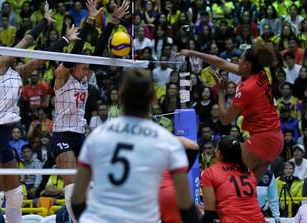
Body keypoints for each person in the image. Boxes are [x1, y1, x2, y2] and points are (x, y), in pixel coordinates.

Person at [0, 2, 79, 223]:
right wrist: (44, 22)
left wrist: (66, 40)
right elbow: (27, 41)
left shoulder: (17, 72)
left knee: (16, 195)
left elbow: (42, 57)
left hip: (3, 138)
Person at [71, 68, 199, 223]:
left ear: (120, 97)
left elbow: (77, 200)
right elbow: (186, 208)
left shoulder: (97, 136)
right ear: (153, 99)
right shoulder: (167, 142)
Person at [49, 0, 129, 223]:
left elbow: (100, 48)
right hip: (62, 135)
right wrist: (89, 21)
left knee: (91, 185)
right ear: (73, 65)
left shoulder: (83, 75)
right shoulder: (62, 76)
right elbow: (75, 52)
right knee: (72, 185)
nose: (86, 71)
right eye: (83, 67)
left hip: (80, 135)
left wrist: (113, 22)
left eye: (87, 68)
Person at [179, 43, 283, 182]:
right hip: (275, 140)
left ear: (247, 64)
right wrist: (193, 53)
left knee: (224, 178)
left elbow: (225, 119)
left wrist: (220, 92)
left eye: (240, 59)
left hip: (263, 140)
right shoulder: (260, 73)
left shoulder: (247, 88)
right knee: (247, 188)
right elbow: (221, 62)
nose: (237, 61)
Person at [200, 136, 265, 222]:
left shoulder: (210, 173)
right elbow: (238, 206)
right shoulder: (248, 172)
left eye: (216, 148)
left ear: (219, 152)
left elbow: (209, 216)